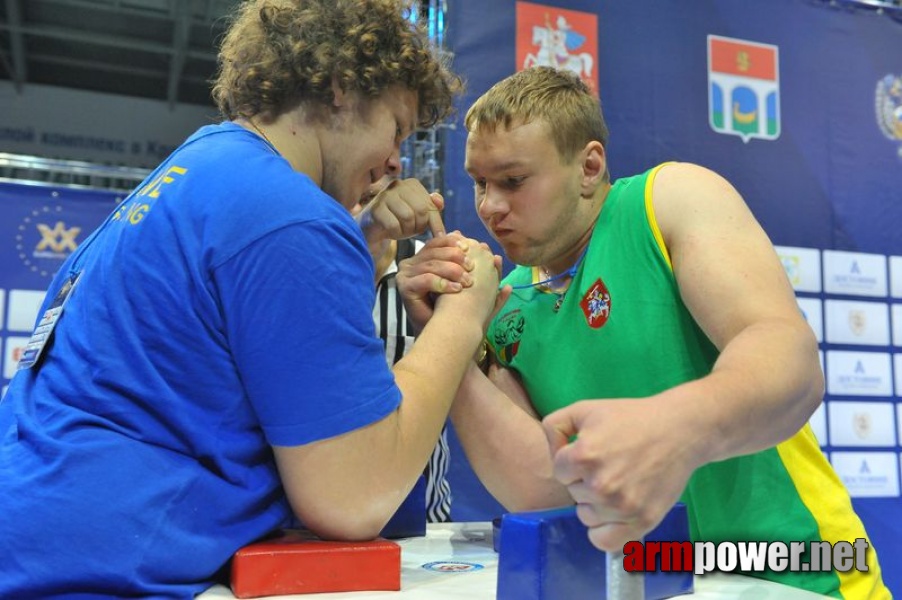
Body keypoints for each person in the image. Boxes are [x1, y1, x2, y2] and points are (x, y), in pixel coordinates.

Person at [0, 1, 500, 597]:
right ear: (342, 87)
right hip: (93, 576)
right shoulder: (288, 216)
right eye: (396, 127)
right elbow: (353, 495)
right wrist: (463, 316)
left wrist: (356, 253)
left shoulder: (200, 167)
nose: (396, 159)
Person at [404, 66, 890, 598]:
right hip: (656, 583)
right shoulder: (504, 303)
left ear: (589, 166)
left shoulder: (668, 201)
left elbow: (789, 361)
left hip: (799, 575)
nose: (490, 206)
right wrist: (451, 334)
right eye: (479, 183)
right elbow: (545, 487)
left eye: (513, 181)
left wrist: (673, 427)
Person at [355, 176, 452, 523]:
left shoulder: (432, 271)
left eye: (370, 198)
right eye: (351, 199)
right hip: (316, 524)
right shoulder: (307, 272)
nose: (367, 211)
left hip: (426, 519)